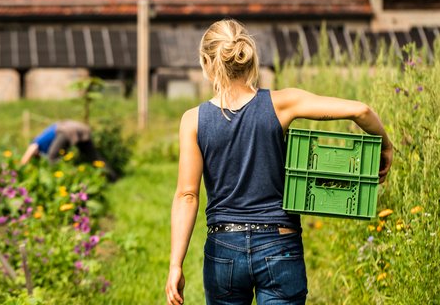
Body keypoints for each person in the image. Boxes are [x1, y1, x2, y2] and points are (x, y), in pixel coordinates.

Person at [164, 20, 393, 305]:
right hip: (279, 243)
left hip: (224, 247)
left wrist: (176, 265)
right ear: (249, 58)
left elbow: (187, 196)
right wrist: (386, 146)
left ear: (207, 63)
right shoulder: (281, 103)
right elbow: (361, 111)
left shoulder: (193, 120)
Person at [20, 120, 118, 179]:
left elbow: (26, 157)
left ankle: (64, 178)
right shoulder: (44, 141)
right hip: (79, 127)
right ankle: (113, 177)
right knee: (93, 156)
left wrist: (19, 170)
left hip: (66, 130)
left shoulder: (36, 142)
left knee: (52, 158)